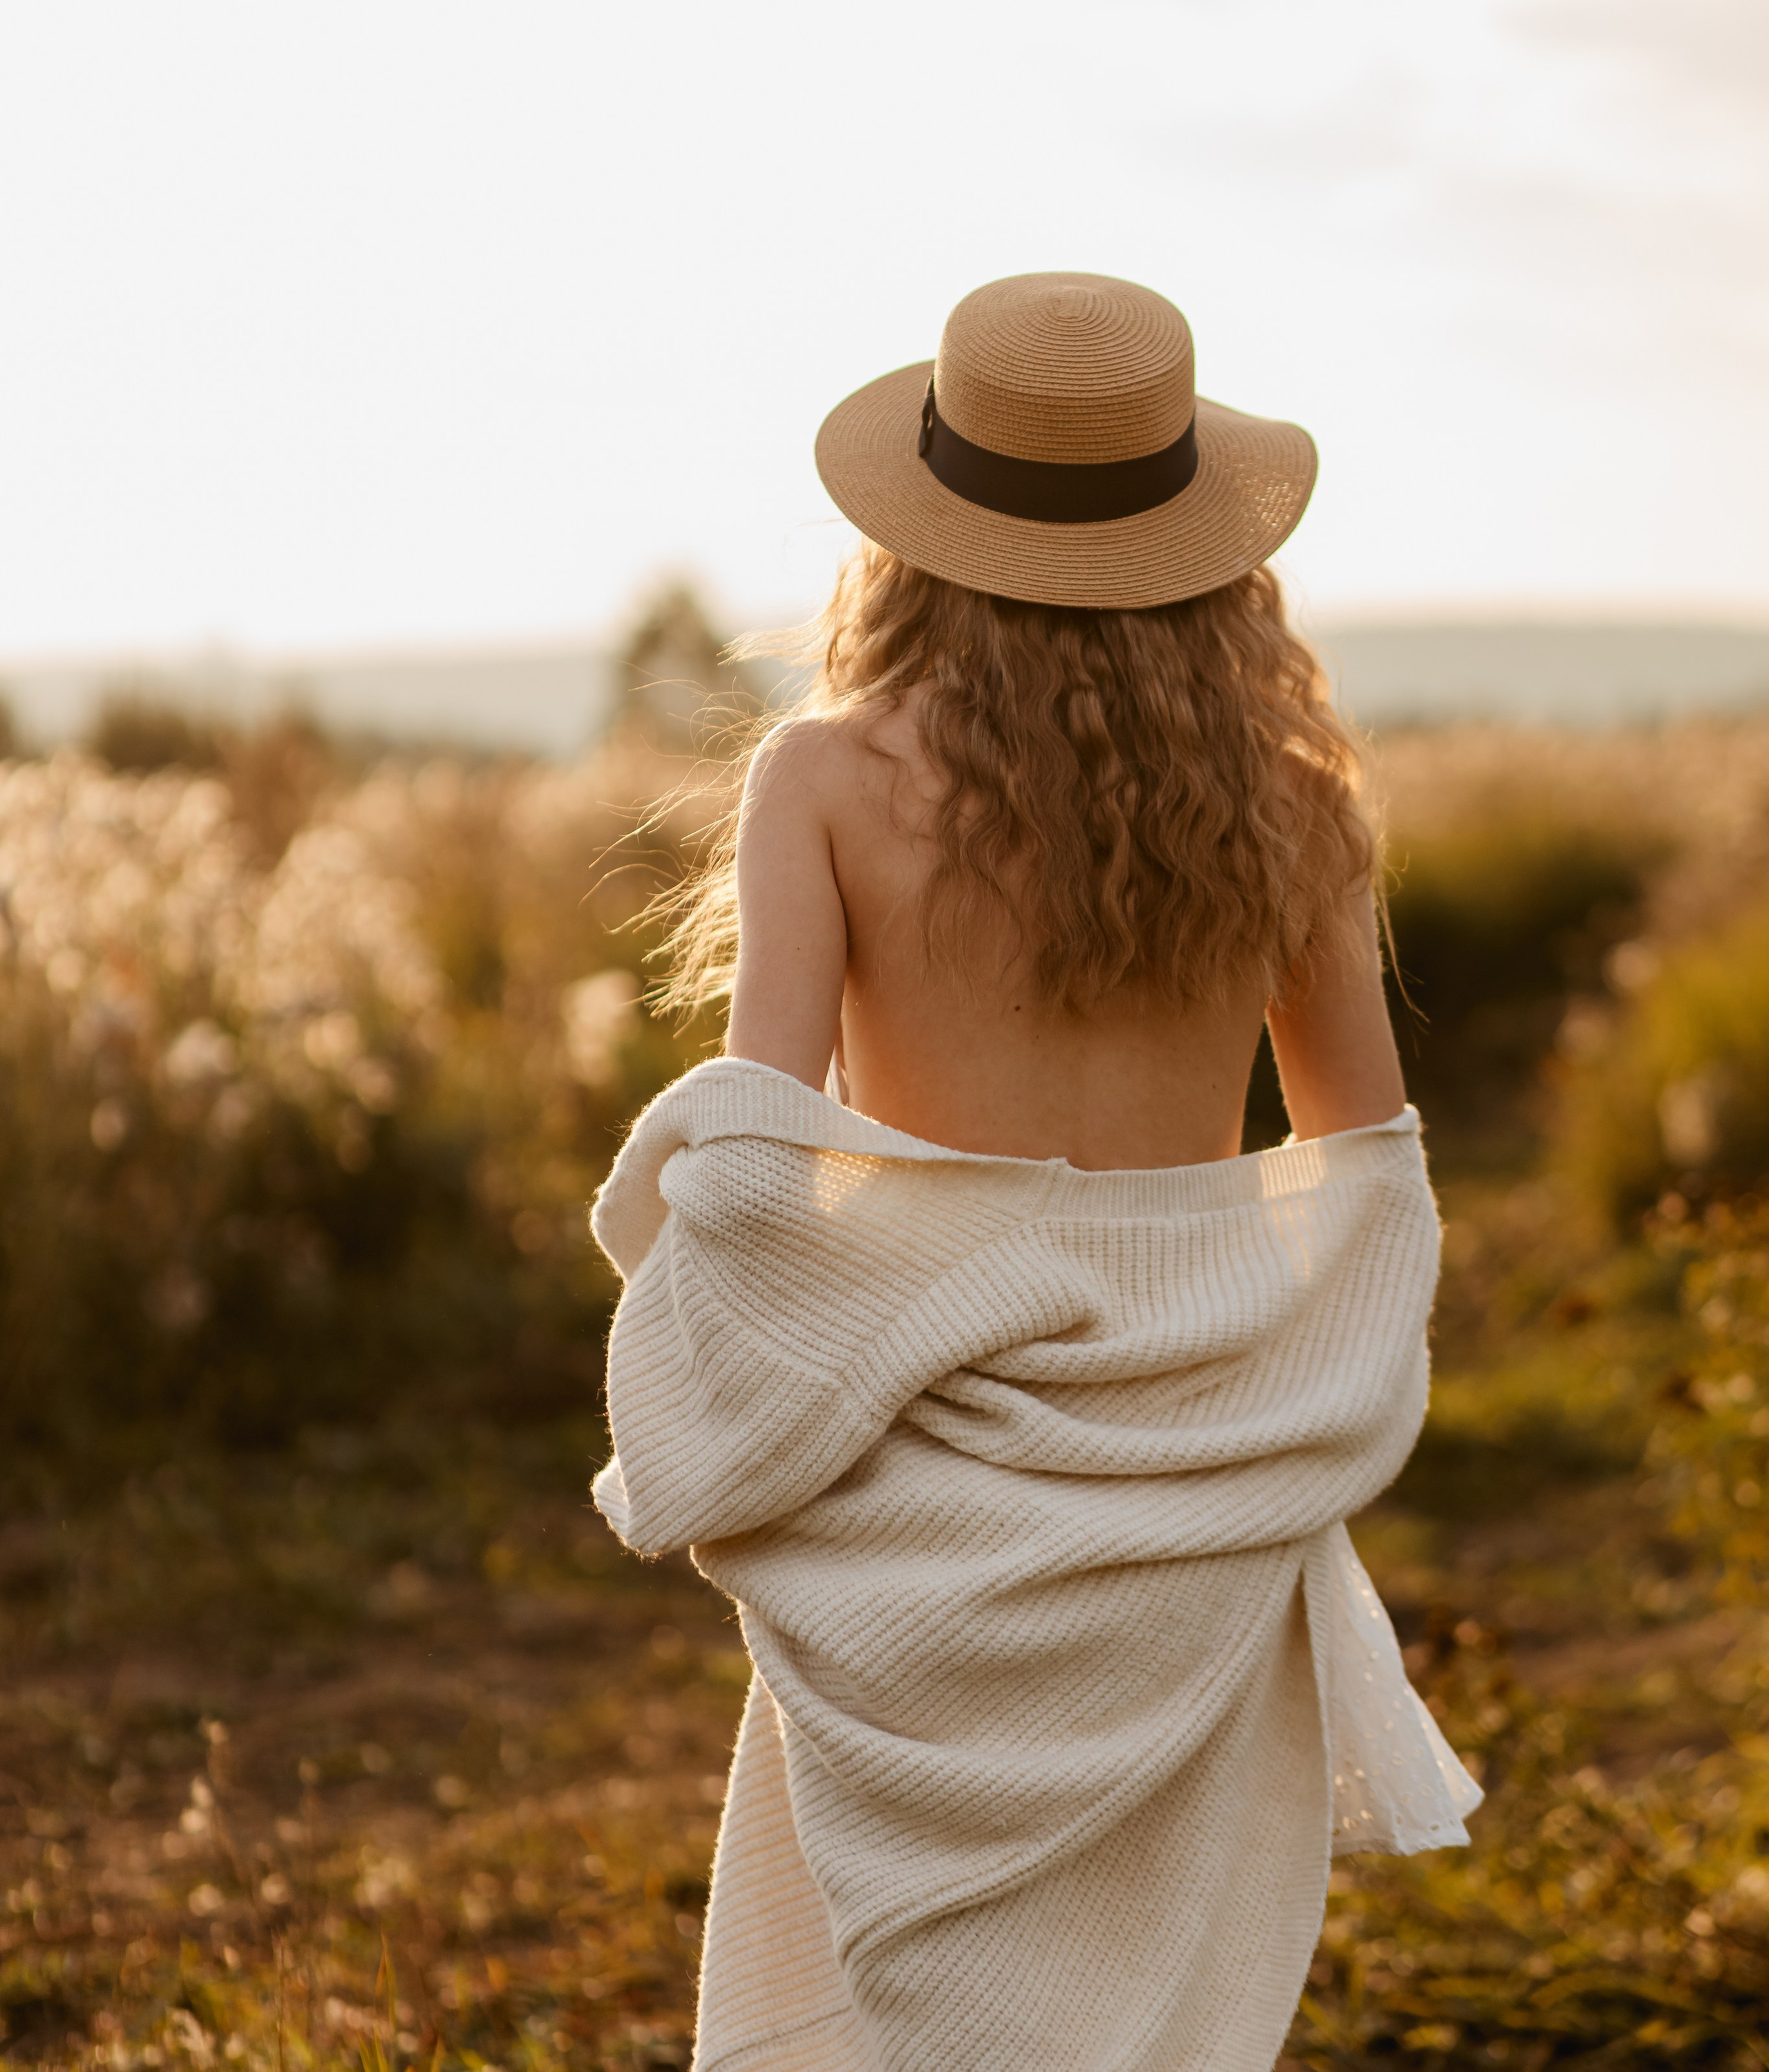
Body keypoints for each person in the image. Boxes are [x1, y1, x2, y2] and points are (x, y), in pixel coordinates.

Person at [591, 272, 1479, 2072]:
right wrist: (1250, 1381)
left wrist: (720, 1416)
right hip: (1189, 1508)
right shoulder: (1297, 802)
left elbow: (760, 1168)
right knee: (1148, 2009)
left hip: (918, 1498)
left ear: (911, 532)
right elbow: (1366, 1165)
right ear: (1197, 529)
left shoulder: (822, 778)